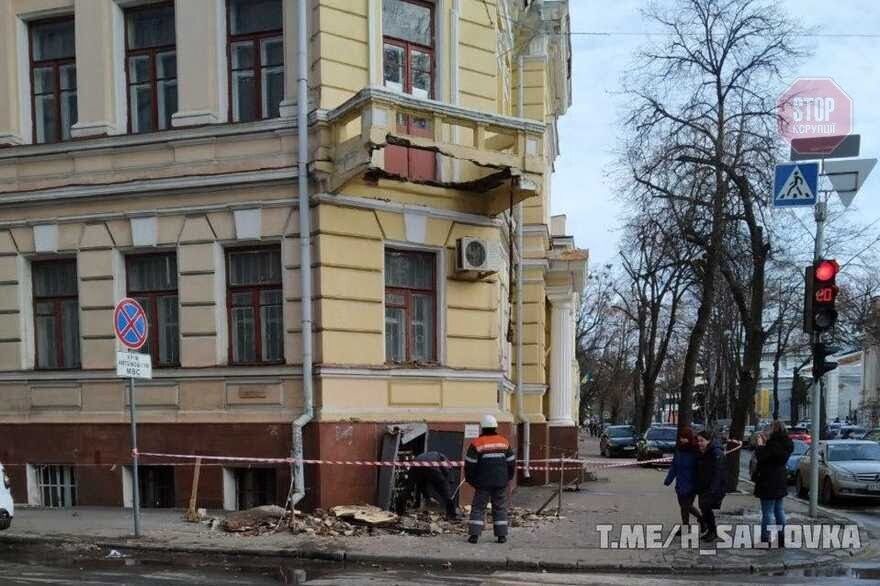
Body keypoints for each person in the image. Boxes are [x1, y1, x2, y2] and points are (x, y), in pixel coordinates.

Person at [464, 414, 516, 544]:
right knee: (500, 507)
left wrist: (472, 480)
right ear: (495, 427)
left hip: (482, 483)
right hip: (500, 482)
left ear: (482, 428)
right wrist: (508, 477)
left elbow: (470, 465)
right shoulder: (504, 442)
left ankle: (474, 536)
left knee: (478, 508)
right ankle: (501, 536)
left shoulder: (476, 443)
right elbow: (511, 462)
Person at [753, 420, 794, 545]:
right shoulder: (786, 443)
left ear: (774, 430)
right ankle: (782, 538)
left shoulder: (773, 445)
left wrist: (760, 445)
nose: (767, 430)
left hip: (768, 480)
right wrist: (766, 443)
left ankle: (765, 539)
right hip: (780, 479)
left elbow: (762, 457)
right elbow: (773, 456)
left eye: (769, 428)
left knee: (768, 512)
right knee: (779, 510)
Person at [664, 426, 702, 533]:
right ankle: (686, 526)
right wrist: (668, 479)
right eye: (681, 438)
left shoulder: (695, 451)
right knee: (683, 506)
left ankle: (702, 519)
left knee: (687, 505)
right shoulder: (679, 450)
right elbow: (674, 467)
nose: (682, 440)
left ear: (689, 438)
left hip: (691, 484)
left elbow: (700, 468)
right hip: (680, 484)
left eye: (684, 438)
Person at [695, 430, 726, 541]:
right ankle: (710, 530)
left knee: (706, 508)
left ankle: (712, 531)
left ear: (708, 440)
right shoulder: (704, 451)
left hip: (712, 487)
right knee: (704, 508)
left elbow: (718, 472)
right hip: (704, 486)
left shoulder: (716, 452)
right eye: (698, 441)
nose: (699, 443)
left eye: (701, 441)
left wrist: (713, 489)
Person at [409, 450, 458, 520]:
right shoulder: (442, 457)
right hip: (430, 467)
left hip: (415, 466)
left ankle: (403, 510)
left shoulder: (427, 455)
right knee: (444, 490)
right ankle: (451, 514)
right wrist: (448, 481)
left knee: (419, 485)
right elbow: (447, 470)